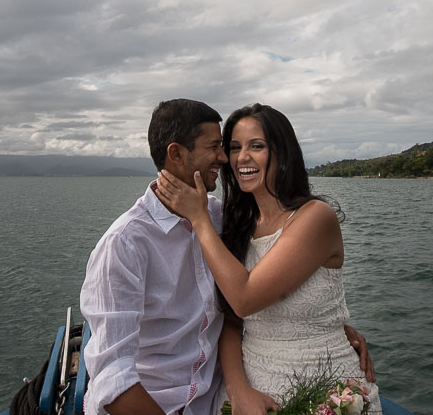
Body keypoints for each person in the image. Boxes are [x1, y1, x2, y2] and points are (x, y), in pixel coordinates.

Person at [80, 99, 373, 415]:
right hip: (160, 404)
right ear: (176, 154)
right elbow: (112, 376)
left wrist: (327, 327)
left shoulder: (222, 219)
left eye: (253, 146)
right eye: (221, 147)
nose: (226, 158)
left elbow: (247, 299)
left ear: (282, 153)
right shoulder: (124, 243)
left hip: (219, 397)